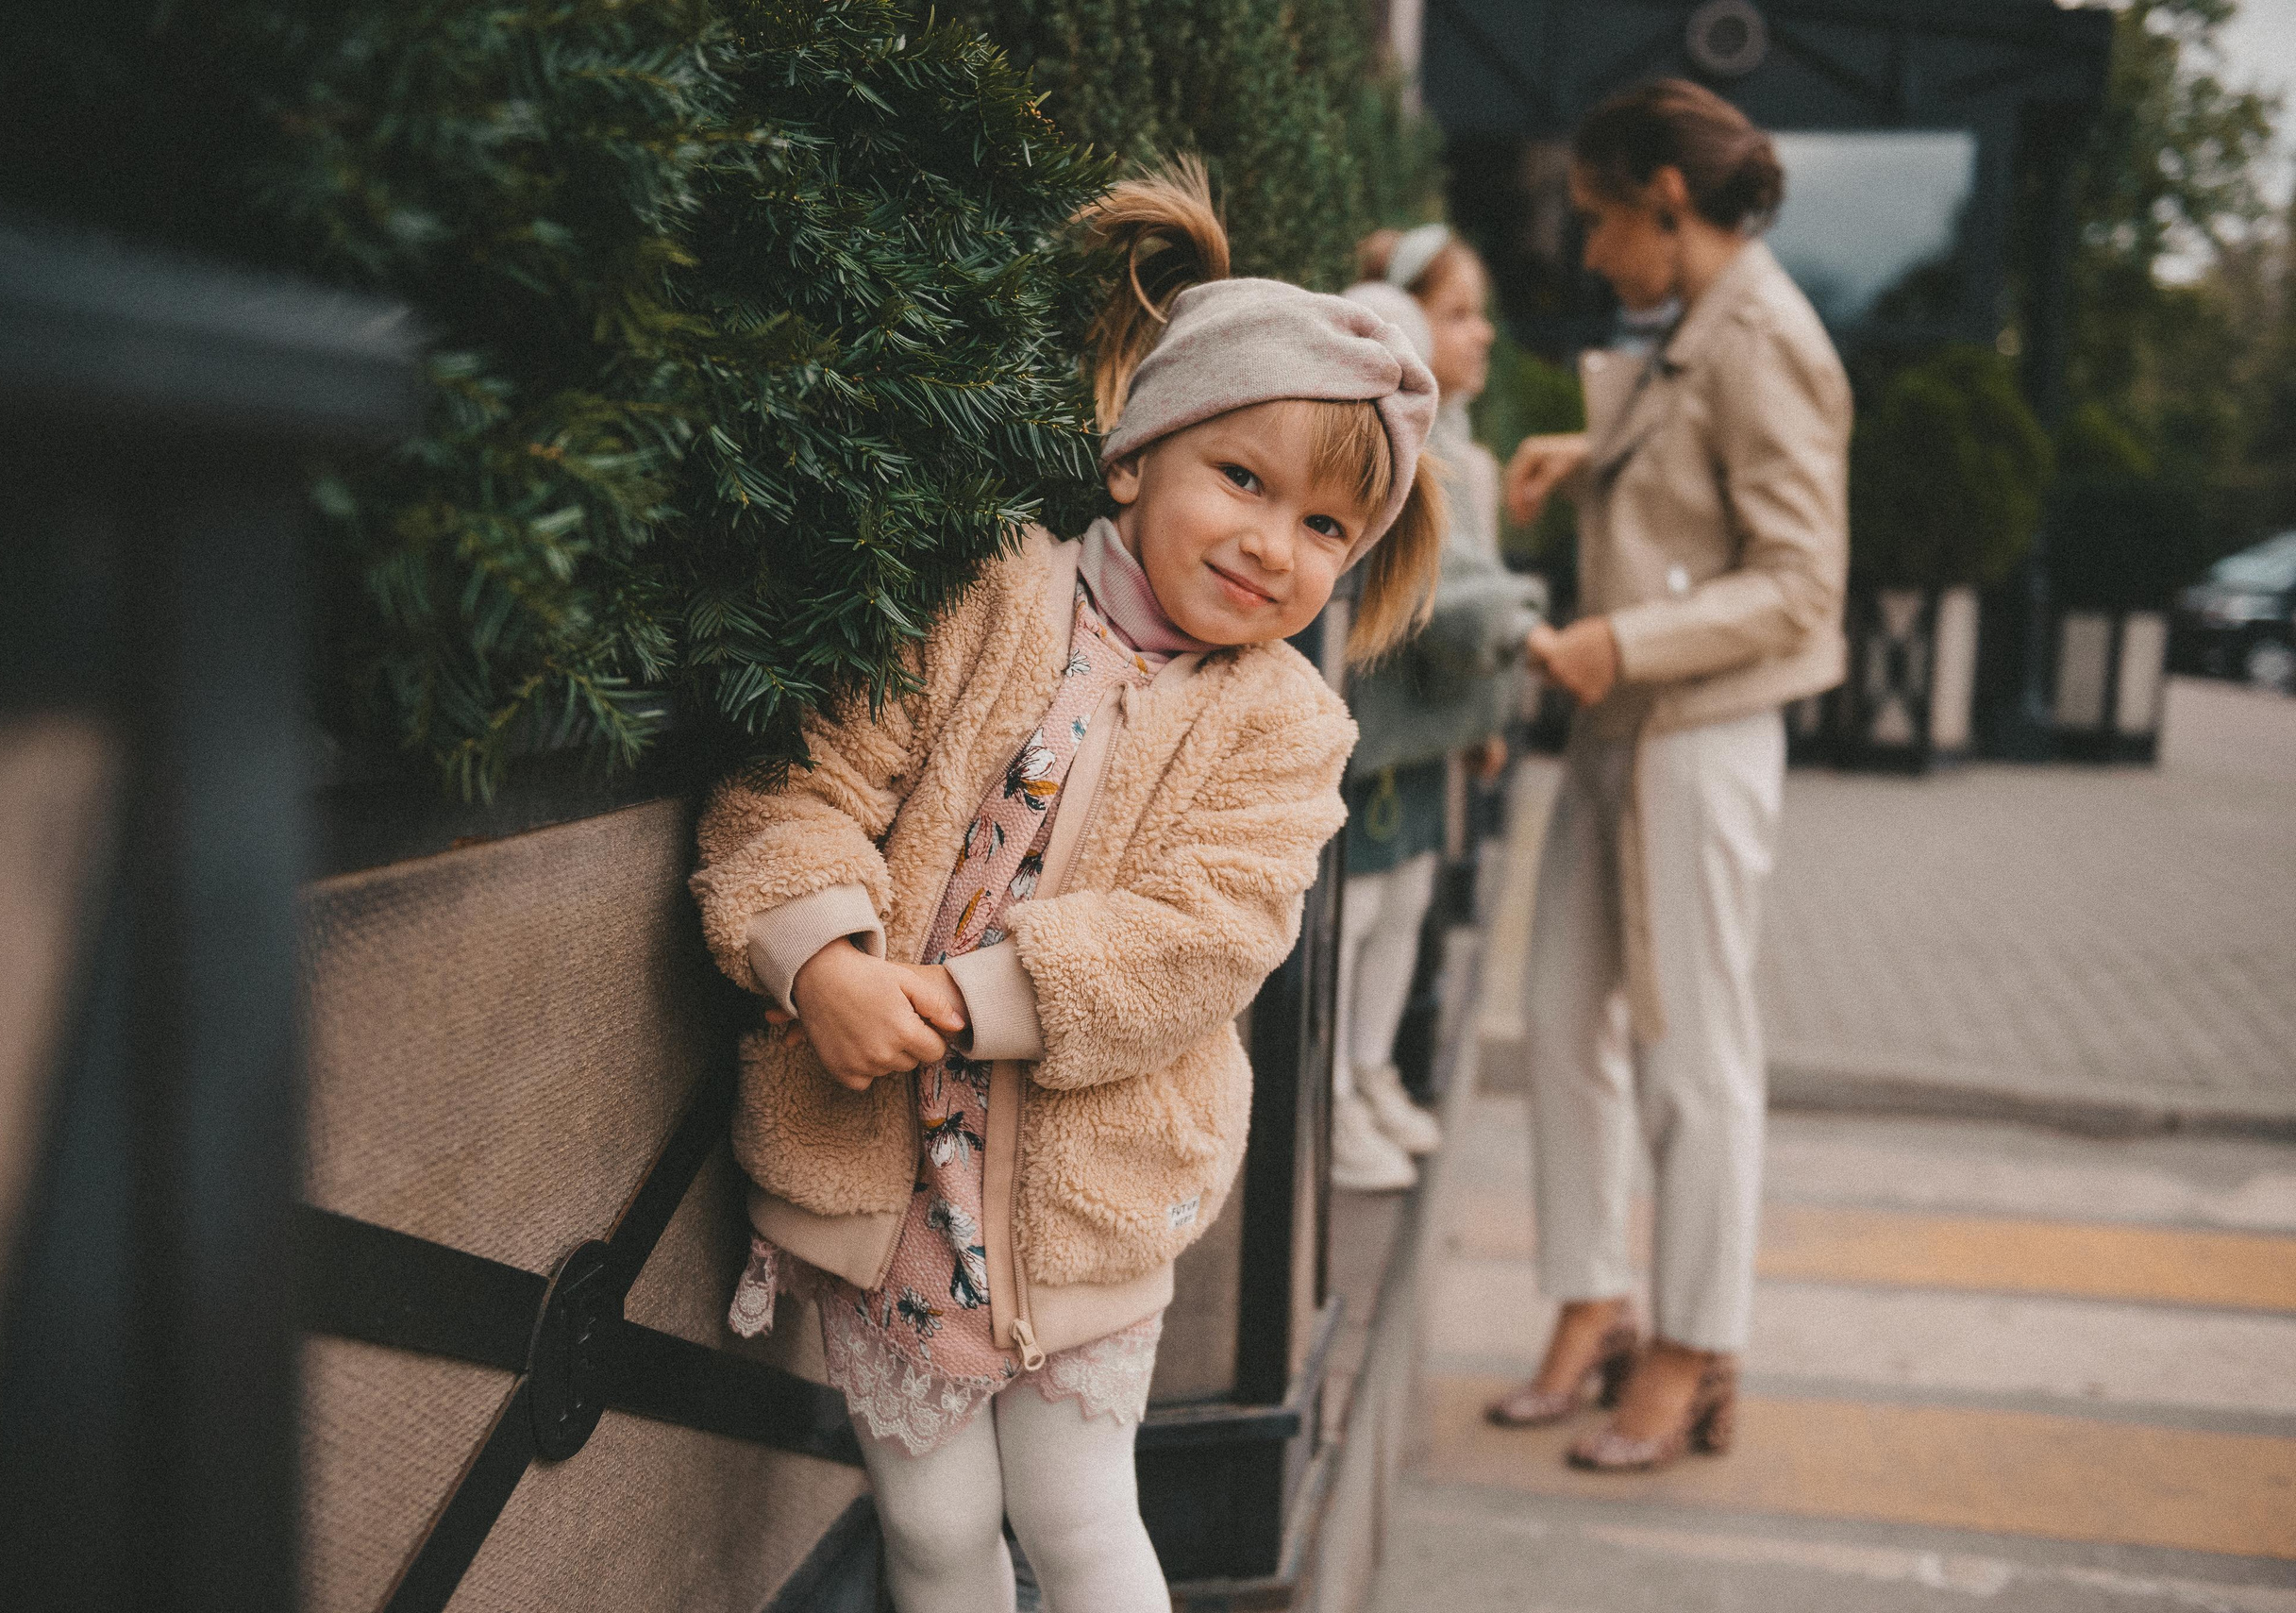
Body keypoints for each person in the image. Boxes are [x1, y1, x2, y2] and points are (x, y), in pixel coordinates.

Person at [693, 159, 1445, 1613]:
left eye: (1323, 528)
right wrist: (826, 960)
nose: (1269, 544)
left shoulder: (1287, 724)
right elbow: (807, 785)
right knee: (929, 1520)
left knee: (1082, 1515)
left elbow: (1203, 935)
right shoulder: (985, 595)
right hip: (885, 1162)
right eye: (1243, 480)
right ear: (1135, 458)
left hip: (1087, 1197)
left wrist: (972, 996)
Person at [1493, 79, 1850, 1471]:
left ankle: (1697, 1345)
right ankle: (1595, 1300)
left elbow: (1802, 584)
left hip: (1696, 730)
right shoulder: (1695, 323)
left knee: (1692, 1056)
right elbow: (1699, 484)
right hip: (1626, 723)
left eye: (1597, 221)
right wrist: (1594, 458)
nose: (1587, 253)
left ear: (1667, 201)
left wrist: (1620, 636)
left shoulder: (1767, 336)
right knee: (1561, 1012)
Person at [1330, 227, 1542, 1191]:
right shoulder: (1408, 439)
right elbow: (1450, 592)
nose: (1482, 333)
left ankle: (1367, 1072)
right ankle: (1331, 1095)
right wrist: (1529, 642)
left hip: (1425, 730)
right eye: (1457, 313)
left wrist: (1485, 719)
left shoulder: (1457, 443)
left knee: (1406, 899)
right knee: (1363, 907)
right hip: (1375, 731)